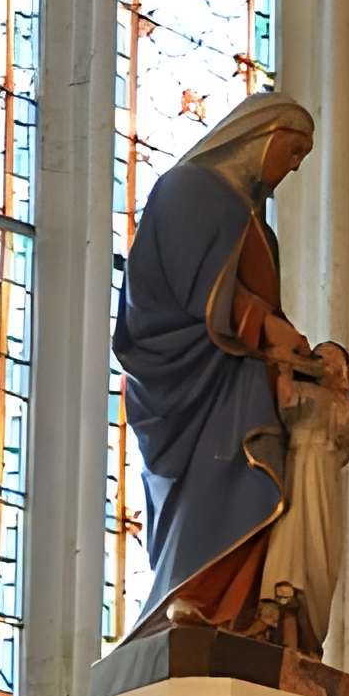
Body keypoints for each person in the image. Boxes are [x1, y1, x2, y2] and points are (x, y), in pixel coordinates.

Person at [113, 91, 315, 639]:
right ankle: (190, 598)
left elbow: (260, 304)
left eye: (304, 157)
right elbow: (181, 288)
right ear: (260, 134)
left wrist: (292, 353)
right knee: (220, 477)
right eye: (293, 149)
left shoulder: (260, 229)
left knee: (263, 463)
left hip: (241, 374)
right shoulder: (187, 189)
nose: (294, 165)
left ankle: (239, 611)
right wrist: (262, 326)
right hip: (188, 379)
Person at [258, 341, 349, 655]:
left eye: (331, 360)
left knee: (318, 557)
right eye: (319, 359)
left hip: (322, 483)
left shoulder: (344, 410)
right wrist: (286, 367)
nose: (324, 364)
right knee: (290, 549)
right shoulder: (310, 397)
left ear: (348, 374)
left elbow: (346, 430)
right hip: (296, 477)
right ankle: (287, 638)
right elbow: (286, 400)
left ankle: (308, 639)